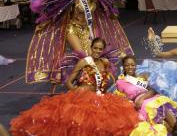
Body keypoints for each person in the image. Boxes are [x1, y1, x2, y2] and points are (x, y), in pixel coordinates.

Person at [10, 38, 140, 136]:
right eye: (95, 48)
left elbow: (108, 81)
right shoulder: (84, 62)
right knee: (79, 124)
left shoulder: (105, 62)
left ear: (103, 50)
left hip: (99, 96)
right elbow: (69, 82)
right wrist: (75, 94)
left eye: (100, 49)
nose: (97, 51)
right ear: (91, 48)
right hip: (82, 96)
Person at [115, 55, 177, 136]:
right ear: (123, 67)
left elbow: (153, 90)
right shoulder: (120, 82)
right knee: (154, 111)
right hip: (140, 105)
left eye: (132, 65)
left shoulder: (142, 76)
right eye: (127, 65)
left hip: (150, 98)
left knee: (161, 106)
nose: (130, 67)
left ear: (136, 65)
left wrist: (143, 98)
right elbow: (121, 100)